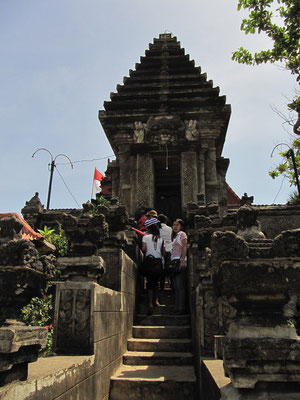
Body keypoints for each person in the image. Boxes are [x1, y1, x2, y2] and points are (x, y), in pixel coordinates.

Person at [142, 218, 164, 315]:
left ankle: (150, 303)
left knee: (149, 283)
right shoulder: (160, 239)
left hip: (149, 262)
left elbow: (143, 249)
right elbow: (163, 252)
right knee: (156, 282)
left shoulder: (145, 237)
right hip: (158, 262)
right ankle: (156, 300)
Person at [171, 219, 187, 314]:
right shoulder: (175, 236)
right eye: (173, 225)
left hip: (180, 261)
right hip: (174, 262)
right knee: (176, 286)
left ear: (181, 226)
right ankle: (177, 307)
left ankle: (181, 307)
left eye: (177, 225)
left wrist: (182, 259)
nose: (175, 227)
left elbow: (184, 247)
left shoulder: (182, 234)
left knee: (180, 286)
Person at [158, 214, 172, 290]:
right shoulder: (170, 229)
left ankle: (161, 286)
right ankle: (171, 284)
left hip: (159, 250)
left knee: (160, 269)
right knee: (168, 268)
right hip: (168, 249)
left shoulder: (157, 229)